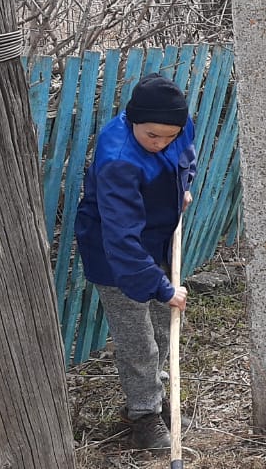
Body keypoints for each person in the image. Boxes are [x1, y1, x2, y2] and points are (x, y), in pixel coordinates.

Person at [75, 73, 195, 450]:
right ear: (132, 121)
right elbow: (122, 237)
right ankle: (143, 415)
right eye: (152, 136)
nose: (161, 143)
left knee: (161, 325)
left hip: (157, 240)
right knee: (137, 339)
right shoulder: (118, 159)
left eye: (169, 137)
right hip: (115, 254)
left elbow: (185, 155)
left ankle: (156, 398)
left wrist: (183, 186)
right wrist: (161, 287)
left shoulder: (176, 127)